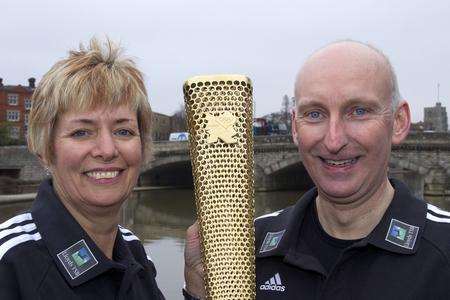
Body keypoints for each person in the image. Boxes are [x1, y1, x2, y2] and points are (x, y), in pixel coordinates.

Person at [184, 40, 450, 299]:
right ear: (295, 127)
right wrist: (200, 292)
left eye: (358, 111)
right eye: (314, 114)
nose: (334, 140)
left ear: (399, 121)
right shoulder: (247, 247)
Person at [0, 38, 164, 299]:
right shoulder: (10, 262)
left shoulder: (135, 251)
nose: (107, 150)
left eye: (123, 131)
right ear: (45, 150)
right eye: (81, 132)